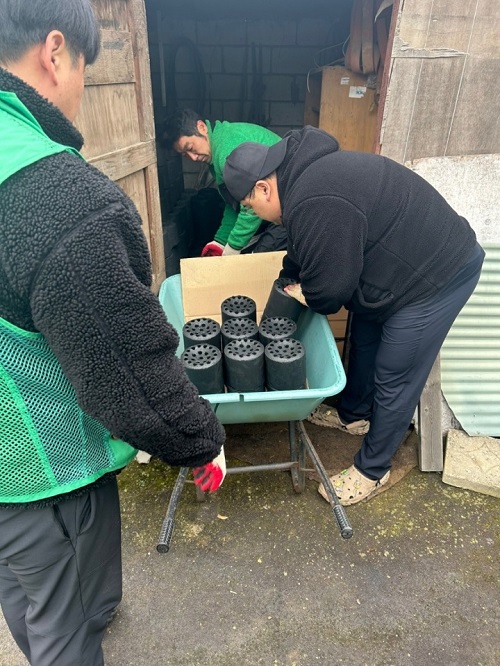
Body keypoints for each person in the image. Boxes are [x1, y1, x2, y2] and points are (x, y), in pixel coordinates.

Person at [0, 2, 226, 664]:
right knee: (62, 630)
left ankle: (90, 613)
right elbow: (124, 365)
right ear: (55, 52)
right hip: (38, 466)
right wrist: (198, 438)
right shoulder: (53, 196)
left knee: (26, 590)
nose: (79, 91)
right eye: (85, 70)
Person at [222, 126, 484, 507]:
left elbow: (330, 293)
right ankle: (354, 416)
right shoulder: (298, 183)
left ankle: (372, 469)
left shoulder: (316, 198)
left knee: (395, 372)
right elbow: (303, 249)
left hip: (439, 273)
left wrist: (303, 293)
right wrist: (286, 282)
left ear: (263, 189)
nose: (254, 215)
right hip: (396, 264)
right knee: (364, 334)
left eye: (249, 207)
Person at [162, 107, 288, 256]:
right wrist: (220, 242)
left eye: (190, 147)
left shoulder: (227, 151)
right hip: (273, 209)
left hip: (289, 209)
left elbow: (251, 205)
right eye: (185, 154)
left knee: (259, 259)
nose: (193, 158)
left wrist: (233, 246)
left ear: (202, 127)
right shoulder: (217, 154)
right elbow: (234, 204)